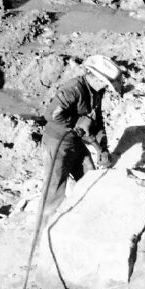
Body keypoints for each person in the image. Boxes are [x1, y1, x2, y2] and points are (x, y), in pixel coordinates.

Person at [39, 54, 126, 223]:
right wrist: (77, 121)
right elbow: (51, 114)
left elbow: (97, 121)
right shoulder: (73, 89)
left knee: (89, 177)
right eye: (104, 83)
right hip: (57, 143)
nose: (105, 87)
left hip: (75, 141)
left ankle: (85, 219)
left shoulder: (96, 92)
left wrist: (103, 148)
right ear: (97, 79)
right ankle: (46, 228)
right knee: (54, 188)